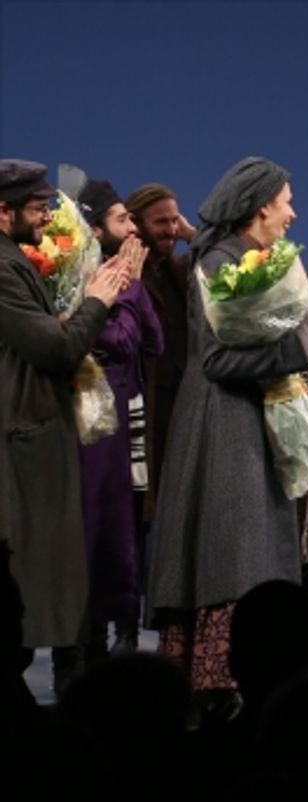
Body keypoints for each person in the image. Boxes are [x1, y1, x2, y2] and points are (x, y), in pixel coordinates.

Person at [146, 157, 308, 710]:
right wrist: (299, 350)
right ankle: (219, 683)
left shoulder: (250, 259)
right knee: (233, 550)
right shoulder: (220, 262)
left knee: (249, 547)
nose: (292, 212)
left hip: (246, 420)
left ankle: (238, 680)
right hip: (223, 424)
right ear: (260, 205)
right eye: (285, 201)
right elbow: (218, 359)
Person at [0, 159, 127, 690]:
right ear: (3, 212)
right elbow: (55, 349)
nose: (44, 218)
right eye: (34, 208)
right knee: (27, 576)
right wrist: (96, 299)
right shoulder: (2, 268)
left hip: (36, 431)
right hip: (22, 438)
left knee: (41, 576)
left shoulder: (13, 260)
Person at [73, 179, 164, 658]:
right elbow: (120, 341)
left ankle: (123, 636)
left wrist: (132, 288)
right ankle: (83, 649)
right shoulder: (84, 279)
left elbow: (154, 343)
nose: (132, 229)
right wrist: (124, 291)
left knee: (125, 528)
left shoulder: (125, 280)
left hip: (125, 422)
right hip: (89, 427)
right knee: (94, 528)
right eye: (121, 220)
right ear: (95, 229)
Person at [124, 183, 196, 525]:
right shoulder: (124, 274)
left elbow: (223, 258)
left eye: (173, 221)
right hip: (148, 403)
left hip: (183, 400)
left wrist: (191, 233)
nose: (169, 230)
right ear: (135, 225)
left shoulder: (177, 270)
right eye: (160, 223)